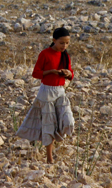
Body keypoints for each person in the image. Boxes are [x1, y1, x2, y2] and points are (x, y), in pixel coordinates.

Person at [15, 27, 75, 164]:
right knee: (48, 125)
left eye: (67, 43)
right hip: (46, 92)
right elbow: (36, 73)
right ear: (54, 40)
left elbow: (71, 73)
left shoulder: (65, 55)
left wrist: (68, 73)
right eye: (62, 43)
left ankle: (55, 142)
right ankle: (49, 158)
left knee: (68, 120)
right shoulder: (45, 54)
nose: (64, 46)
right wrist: (51, 72)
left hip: (60, 91)